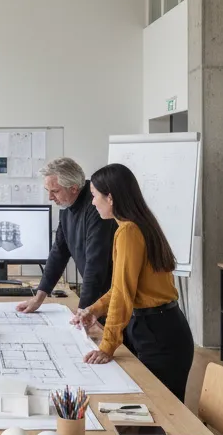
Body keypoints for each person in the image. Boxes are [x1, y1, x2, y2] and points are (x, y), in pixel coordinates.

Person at [71, 163, 194, 402]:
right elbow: (120, 287)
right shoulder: (138, 225)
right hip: (161, 327)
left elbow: (123, 294)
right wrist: (93, 311)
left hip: (158, 333)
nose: (93, 202)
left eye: (95, 196)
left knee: (161, 411)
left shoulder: (128, 232)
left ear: (111, 198)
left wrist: (107, 346)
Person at [17, 157, 115, 314]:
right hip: (97, 298)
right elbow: (59, 253)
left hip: (111, 299)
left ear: (74, 188)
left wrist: (83, 312)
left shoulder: (97, 206)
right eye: (47, 191)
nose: (50, 197)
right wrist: (39, 297)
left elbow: (95, 265)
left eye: (55, 191)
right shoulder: (67, 207)